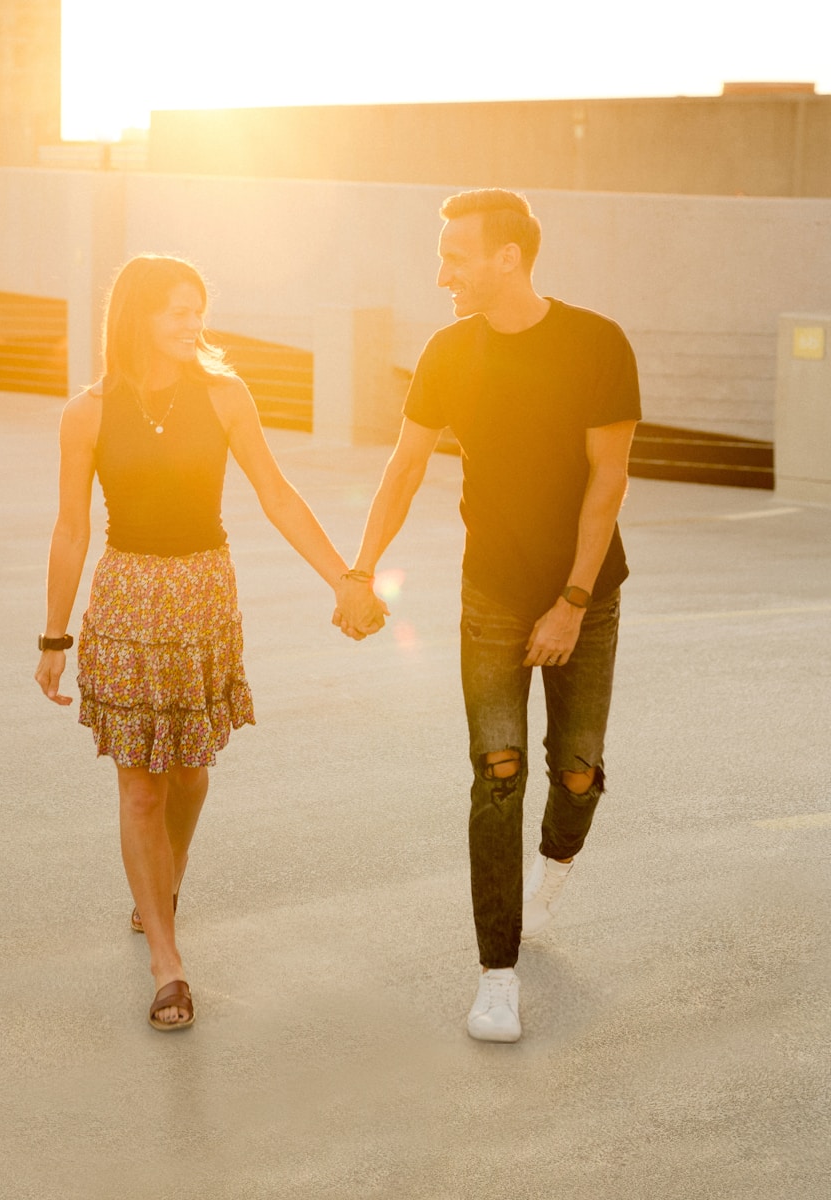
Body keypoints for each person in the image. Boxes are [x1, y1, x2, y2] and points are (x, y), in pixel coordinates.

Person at [34, 254, 385, 1032]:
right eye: (177, 310)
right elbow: (70, 529)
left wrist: (344, 579)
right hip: (127, 602)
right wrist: (54, 634)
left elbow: (277, 495)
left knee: (190, 775)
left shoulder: (225, 395)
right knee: (141, 788)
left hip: (203, 600)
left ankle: (166, 876)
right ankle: (167, 963)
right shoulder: (86, 413)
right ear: (137, 317)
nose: (193, 323)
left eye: (198, 309)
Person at [334, 189, 641, 1043]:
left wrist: (572, 602)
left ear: (509, 257)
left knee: (575, 769)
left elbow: (608, 480)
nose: (443, 276)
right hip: (492, 596)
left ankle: (555, 864)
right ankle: (496, 975)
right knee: (497, 771)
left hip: (586, 595)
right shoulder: (448, 351)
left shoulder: (597, 343)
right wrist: (360, 571)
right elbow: (403, 468)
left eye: (455, 258)